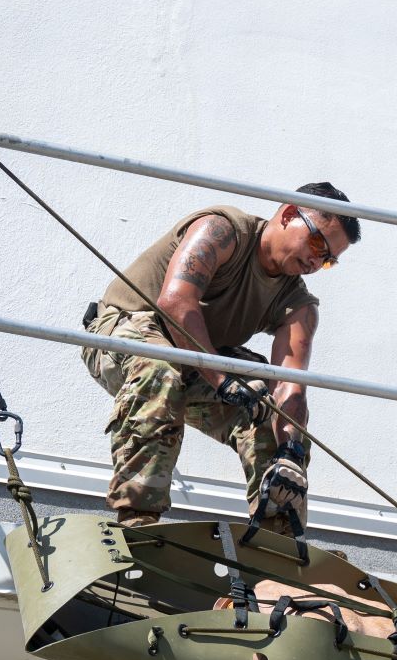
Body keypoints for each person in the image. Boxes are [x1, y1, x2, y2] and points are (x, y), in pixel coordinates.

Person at [81, 184, 360, 531]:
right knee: (159, 368)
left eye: (328, 260)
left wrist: (290, 453)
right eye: (318, 245)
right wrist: (221, 380)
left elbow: (290, 387)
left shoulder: (299, 306)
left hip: (197, 359)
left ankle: (278, 539)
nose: (317, 262)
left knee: (270, 408)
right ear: (289, 214)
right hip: (124, 331)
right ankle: (138, 519)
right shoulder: (223, 231)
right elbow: (176, 303)